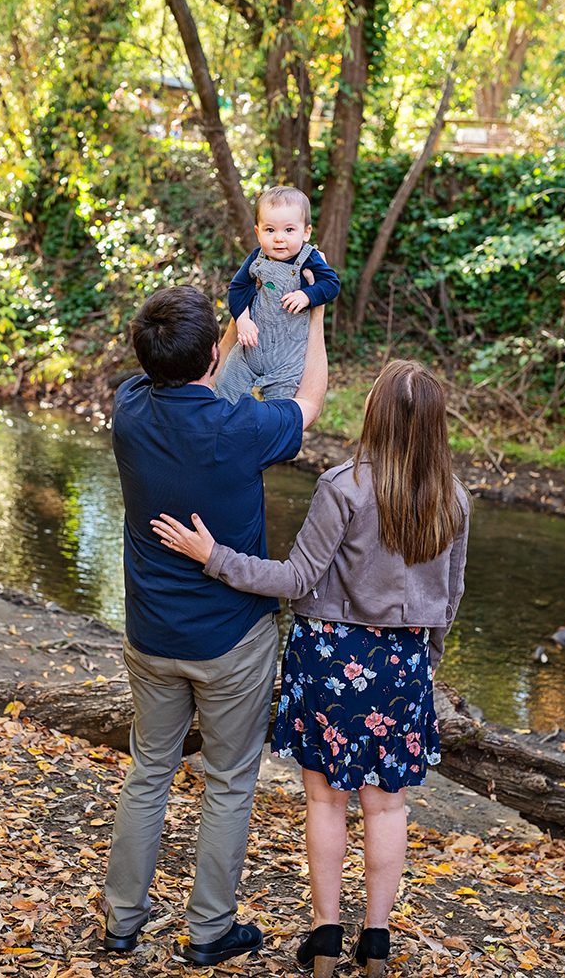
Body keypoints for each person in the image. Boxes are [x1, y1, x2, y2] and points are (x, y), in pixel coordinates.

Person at [151, 359, 471, 978]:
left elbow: (295, 579)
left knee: (325, 805)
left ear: (374, 415)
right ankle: (375, 944)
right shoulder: (453, 499)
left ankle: (325, 941)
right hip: (401, 664)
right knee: (387, 808)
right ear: (437, 427)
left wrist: (214, 556)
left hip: (328, 658)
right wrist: (420, 664)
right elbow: (449, 600)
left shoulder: (344, 486)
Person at [104, 284, 327, 964]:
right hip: (232, 638)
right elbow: (310, 401)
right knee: (229, 782)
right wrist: (313, 317)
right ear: (210, 355)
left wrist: (225, 336)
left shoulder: (129, 407)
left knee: (149, 771)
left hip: (150, 633)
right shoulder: (243, 429)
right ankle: (208, 933)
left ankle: (121, 923)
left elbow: (183, 373)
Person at [214, 185, 340, 403]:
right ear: (258, 231)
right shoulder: (257, 258)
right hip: (250, 350)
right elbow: (238, 288)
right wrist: (243, 320)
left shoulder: (310, 258)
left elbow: (331, 284)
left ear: (306, 232)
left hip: (287, 360)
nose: (279, 238)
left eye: (289, 230)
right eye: (270, 230)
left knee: (280, 412)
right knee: (223, 394)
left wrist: (308, 295)